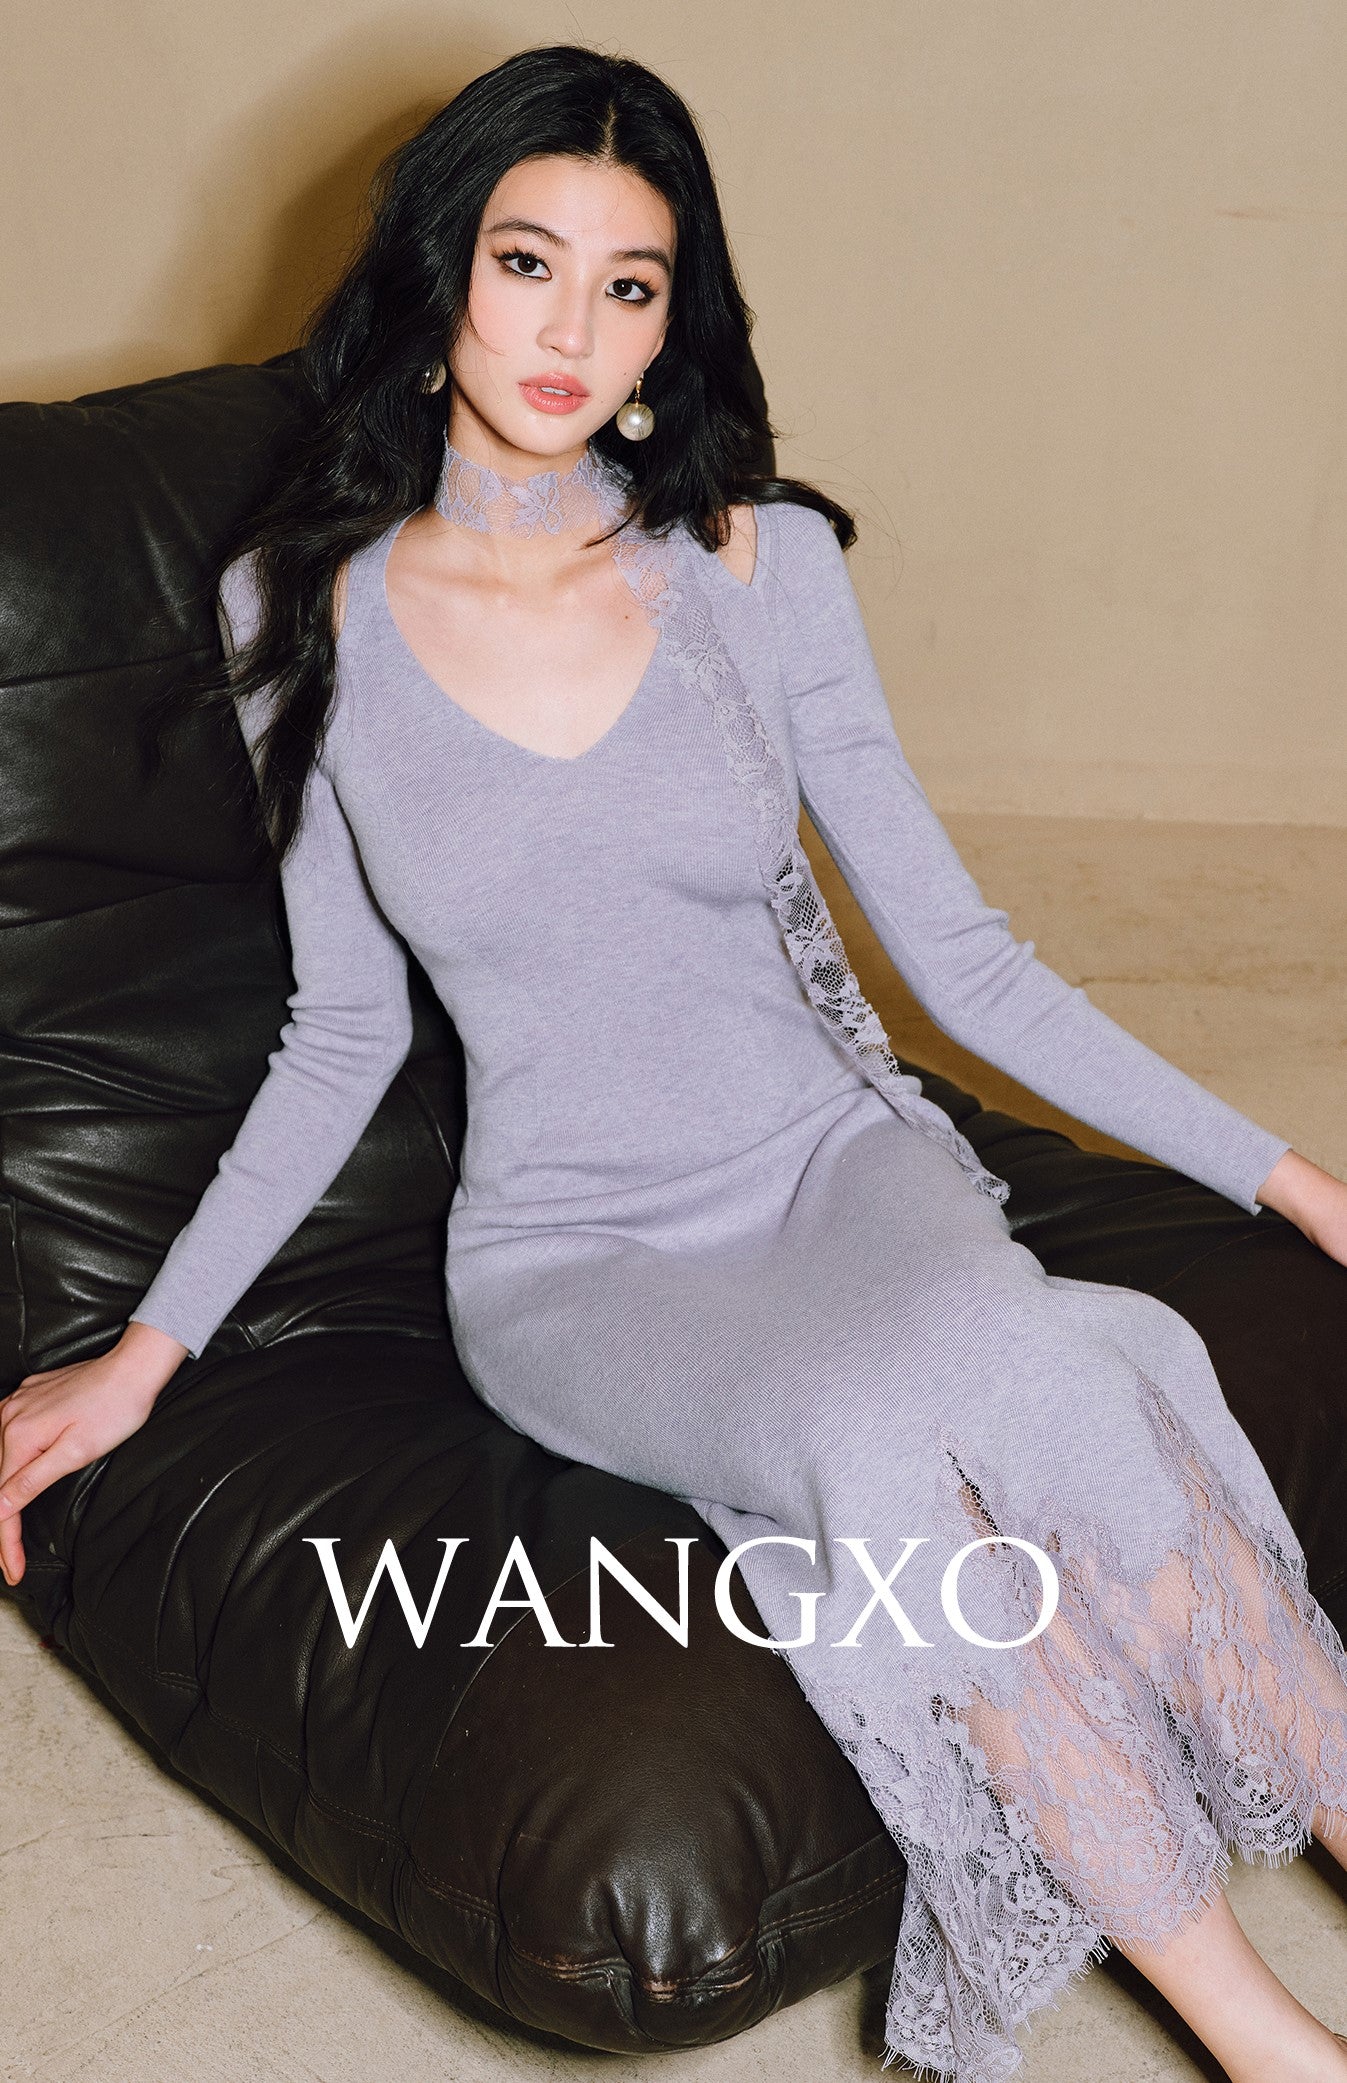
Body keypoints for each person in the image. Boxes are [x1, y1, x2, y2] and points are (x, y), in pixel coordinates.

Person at [3, 42, 1347, 2083]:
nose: (569, 328)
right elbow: (339, 1031)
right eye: (525, 262)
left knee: (1026, 1361)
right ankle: (1271, 2047)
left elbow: (965, 962)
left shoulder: (754, 563)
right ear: (438, 278)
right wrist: (145, 1354)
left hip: (832, 1162)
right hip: (575, 1258)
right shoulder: (301, 609)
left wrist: (1303, 1182)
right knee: (883, 1438)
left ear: (668, 326)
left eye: (626, 284)